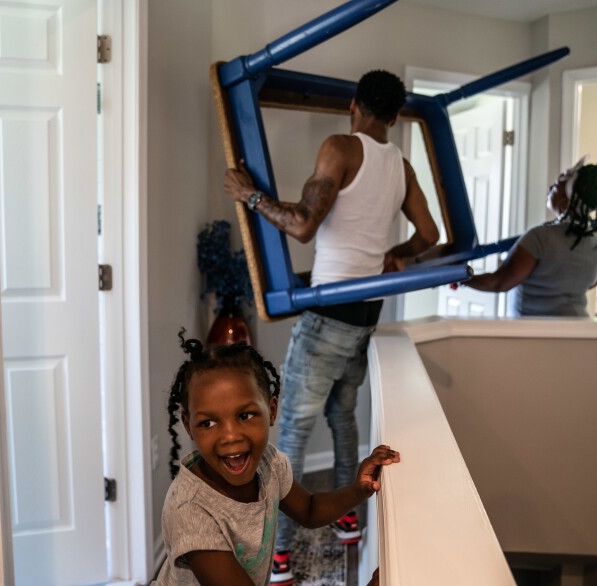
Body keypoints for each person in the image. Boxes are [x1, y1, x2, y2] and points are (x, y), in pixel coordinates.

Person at [224, 69, 439, 583]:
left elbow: (301, 225)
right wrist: (393, 253)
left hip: (328, 319)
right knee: (343, 421)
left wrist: (248, 195)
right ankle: (348, 523)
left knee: (292, 432)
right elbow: (429, 234)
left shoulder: (341, 148)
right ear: (392, 116)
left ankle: (277, 556)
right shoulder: (401, 166)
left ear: (355, 107)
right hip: (364, 313)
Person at [152, 331, 397, 586]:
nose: (230, 436)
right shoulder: (190, 511)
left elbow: (310, 510)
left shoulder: (269, 462)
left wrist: (358, 490)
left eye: (245, 416)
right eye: (208, 422)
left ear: (271, 410)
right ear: (189, 426)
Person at [460, 158, 597, 317]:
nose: (549, 188)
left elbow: (499, 282)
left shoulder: (540, 238)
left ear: (567, 198)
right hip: (578, 332)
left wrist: (461, 278)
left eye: (556, 185)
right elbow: (588, 284)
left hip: (534, 334)